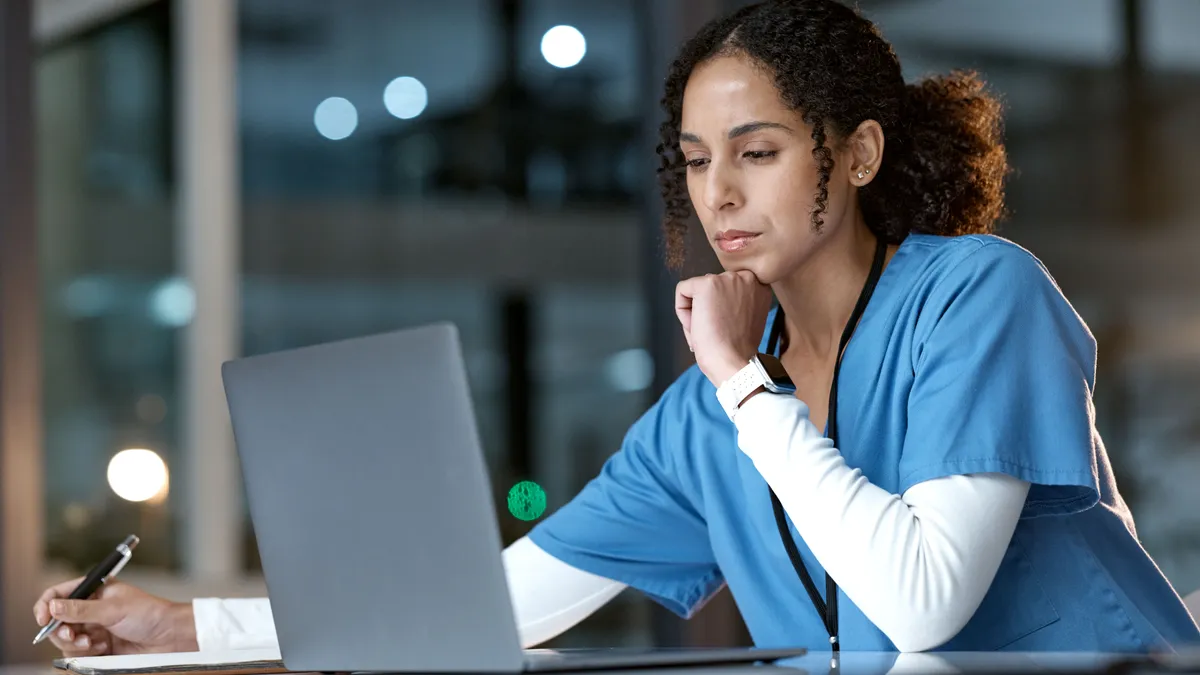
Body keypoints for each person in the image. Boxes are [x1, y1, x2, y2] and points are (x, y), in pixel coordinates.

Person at [35, 0, 1200, 656]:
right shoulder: (703, 418)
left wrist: (747, 387)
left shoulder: (976, 296)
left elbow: (924, 601)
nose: (720, 197)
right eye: (697, 163)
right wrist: (176, 626)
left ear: (856, 151)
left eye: (759, 152)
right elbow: (489, 608)